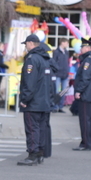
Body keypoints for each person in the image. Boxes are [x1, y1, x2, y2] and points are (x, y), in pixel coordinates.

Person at [17, 34, 52, 165]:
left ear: (31, 43)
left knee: (32, 128)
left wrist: (24, 99)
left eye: (26, 44)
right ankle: (39, 153)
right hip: (44, 101)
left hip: (34, 102)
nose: (25, 46)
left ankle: (33, 154)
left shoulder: (32, 59)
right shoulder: (44, 58)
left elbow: (29, 83)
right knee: (41, 128)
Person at [73, 37, 91, 150]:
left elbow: (85, 78)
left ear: (87, 48)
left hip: (86, 94)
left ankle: (86, 143)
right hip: (90, 93)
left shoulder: (88, 60)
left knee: (85, 120)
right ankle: (88, 142)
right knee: (88, 119)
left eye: (82, 47)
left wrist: (79, 90)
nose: (81, 49)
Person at [52, 37, 70, 113]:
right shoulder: (56, 52)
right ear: (62, 42)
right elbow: (54, 62)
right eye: (66, 43)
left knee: (64, 91)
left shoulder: (66, 52)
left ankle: (60, 106)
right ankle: (55, 106)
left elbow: (67, 62)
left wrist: (68, 71)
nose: (67, 44)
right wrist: (56, 70)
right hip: (58, 74)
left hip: (65, 74)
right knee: (56, 91)